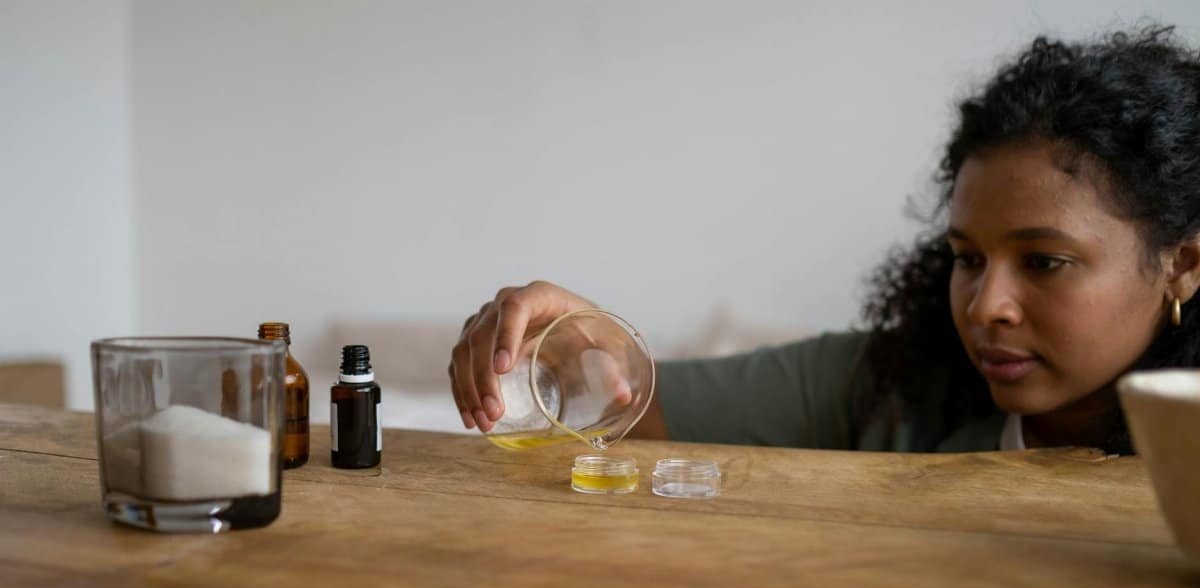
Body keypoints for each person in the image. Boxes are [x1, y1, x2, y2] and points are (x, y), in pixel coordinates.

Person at [448, 26, 1200, 454]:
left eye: (1045, 261)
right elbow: (647, 412)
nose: (986, 305)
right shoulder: (891, 380)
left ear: (1183, 263)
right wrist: (578, 342)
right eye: (967, 258)